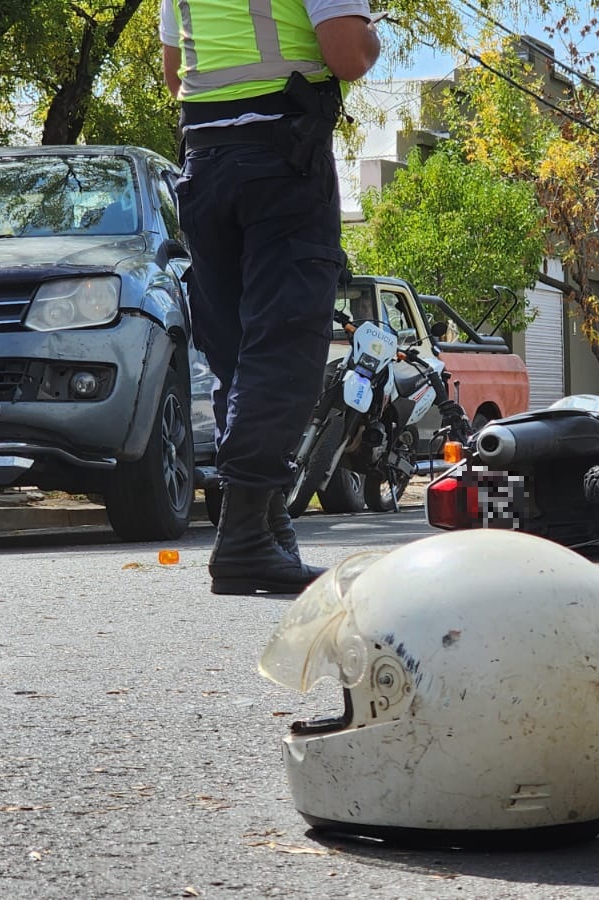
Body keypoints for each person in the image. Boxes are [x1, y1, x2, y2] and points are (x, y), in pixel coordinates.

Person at [161, 0, 381, 595]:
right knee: (283, 346)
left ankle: (263, 524)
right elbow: (348, 53)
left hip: (203, 164)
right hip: (281, 157)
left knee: (236, 351)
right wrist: (370, 28)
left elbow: (173, 68)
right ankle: (245, 540)